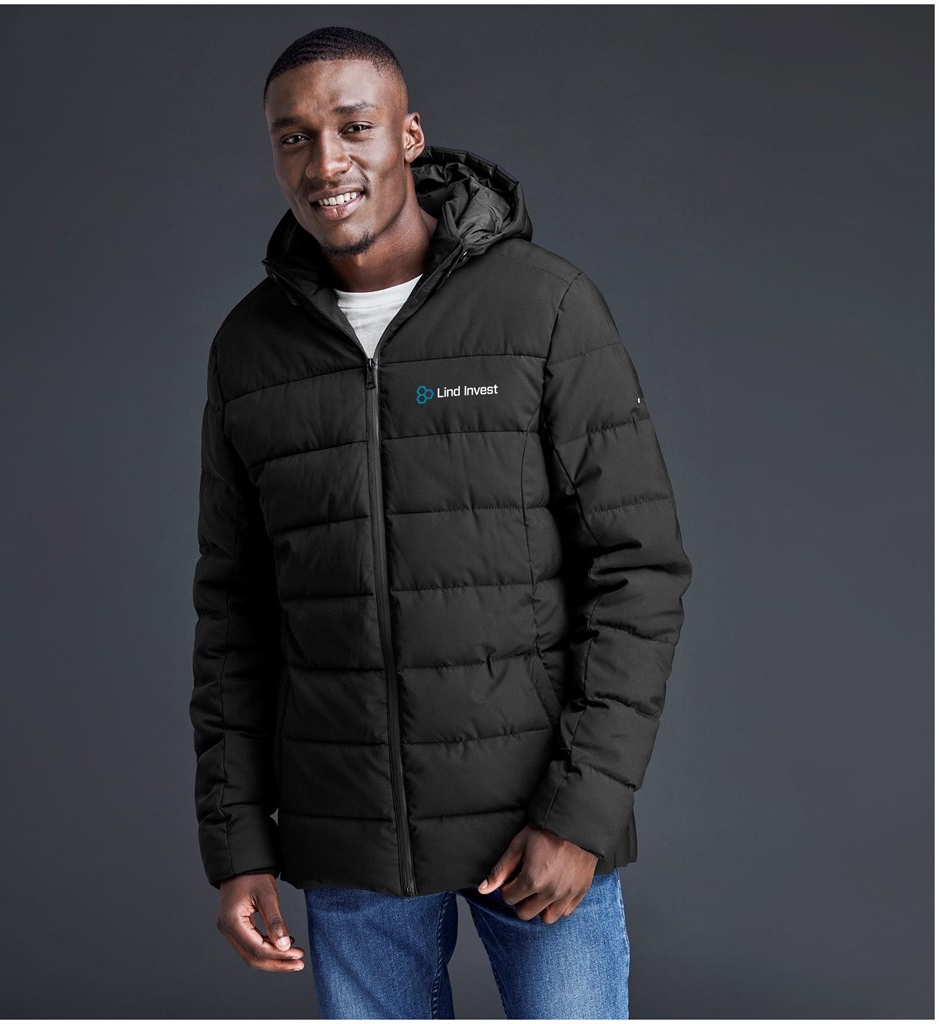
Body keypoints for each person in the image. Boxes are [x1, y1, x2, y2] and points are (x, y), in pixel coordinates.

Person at [190, 24, 693, 1020]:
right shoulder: (249, 349)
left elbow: (638, 570)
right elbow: (234, 613)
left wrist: (582, 814)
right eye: (293, 137)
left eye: (353, 127)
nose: (325, 163)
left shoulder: (543, 309)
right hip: (347, 842)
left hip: (537, 833)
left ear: (408, 136)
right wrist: (238, 840)